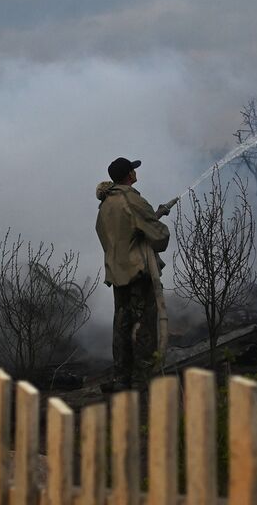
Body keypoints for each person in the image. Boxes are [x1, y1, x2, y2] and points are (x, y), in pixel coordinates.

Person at [95, 157, 178, 391]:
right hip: (138, 275)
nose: (135, 172)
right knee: (143, 326)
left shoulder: (106, 205)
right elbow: (159, 237)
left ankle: (122, 379)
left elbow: (121, 234)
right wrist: (155, 220)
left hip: (118, 274)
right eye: (133, 169)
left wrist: (154, 214)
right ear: (129, 175)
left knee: (121, 326)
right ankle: (143, 383)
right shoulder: (132, 199)